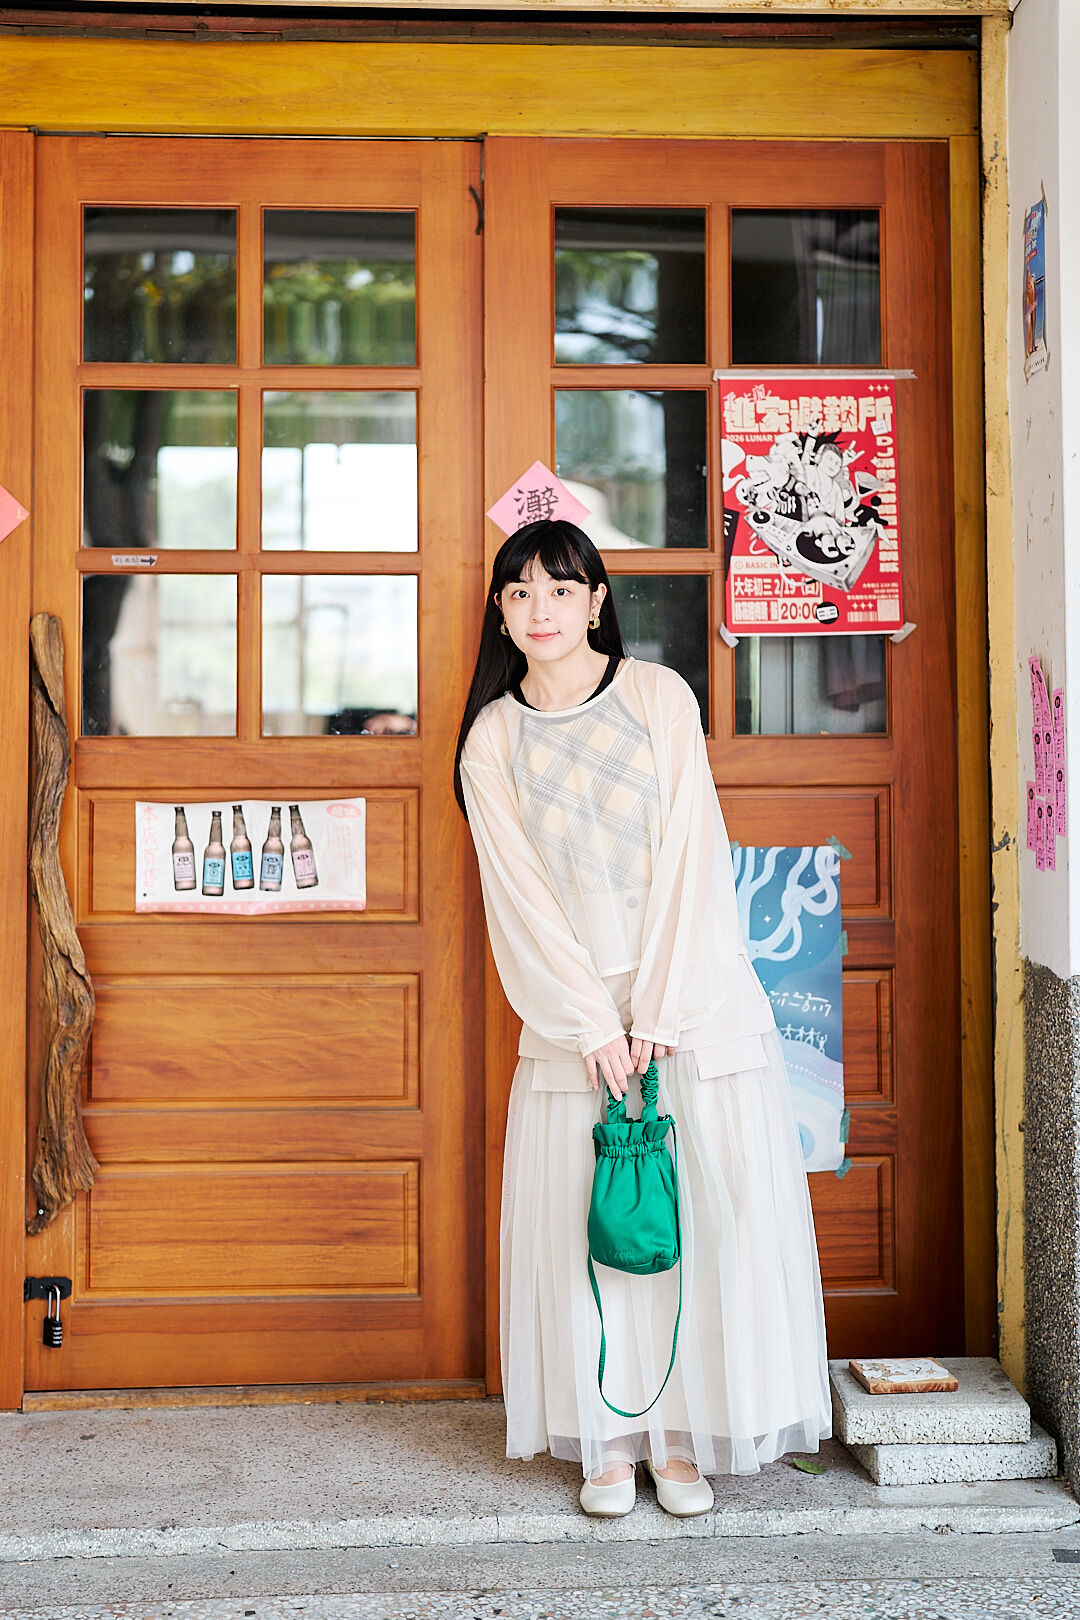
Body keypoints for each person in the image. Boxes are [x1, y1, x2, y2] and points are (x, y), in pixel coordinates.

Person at [454, 519, 830, 1520]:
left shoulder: (659, 697)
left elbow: (694, 858)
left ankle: (682, 1439)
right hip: (574, 1028)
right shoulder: (492, 739)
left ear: (596, 602)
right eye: (521, 593)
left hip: (694, 1006)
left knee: (701, 1225)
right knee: (598, 1231)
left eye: (560, 590)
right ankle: (609, 1442)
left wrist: (658, 1010)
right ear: (501, 612)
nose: (541, 610)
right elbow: (521, 900)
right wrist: (594, 1025)